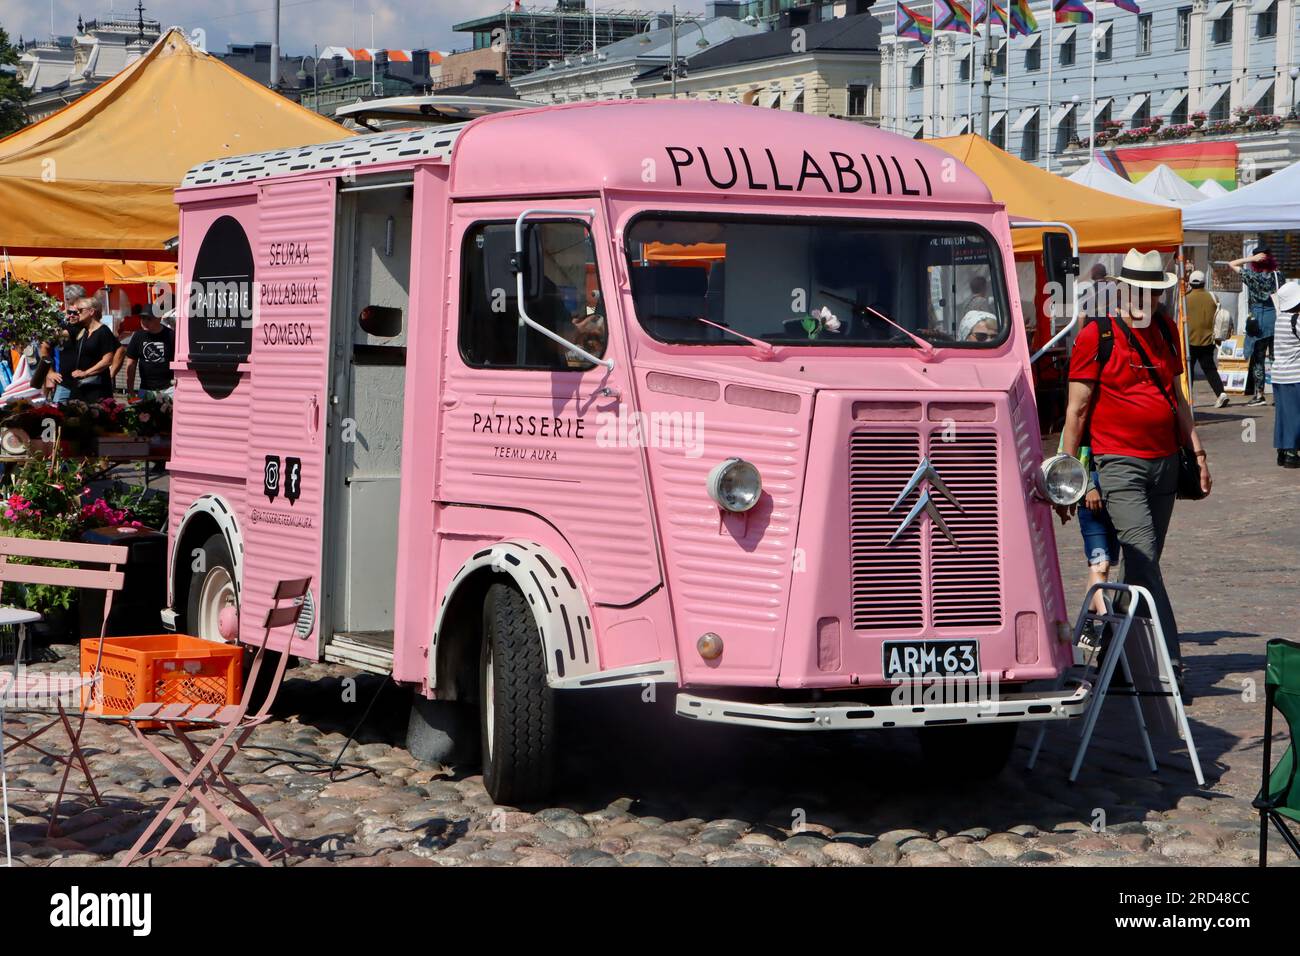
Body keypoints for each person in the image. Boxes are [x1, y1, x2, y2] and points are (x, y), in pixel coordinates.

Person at [1061, 249, 1212, 698]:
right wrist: (1072, 478)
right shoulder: (1097, 334)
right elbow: (1076, 411)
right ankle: (1171, 665)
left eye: (1155, 292)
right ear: (1123, 289)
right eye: (1141, 291)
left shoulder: (1166, 327)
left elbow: (1177, 397)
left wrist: (1198, 453)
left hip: (1165, 463)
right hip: (1118, 464)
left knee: (1143, 567)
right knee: (1143, 561)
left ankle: (1113, 659)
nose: (1148, 299)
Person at [1229, 247, 1284, 406]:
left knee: (1258, 359)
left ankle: (1259, 395)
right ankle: (1278, 394)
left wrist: (1250, 259)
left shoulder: (1252, 276)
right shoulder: (1278, 275)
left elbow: (1231, 263)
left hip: (1258, 320)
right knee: (1276, 359)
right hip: (1276, 319)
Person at [57, 297, 120, 403]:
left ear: (91, 311)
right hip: (80, 386)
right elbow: (57, 336)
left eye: (80, 311)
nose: (77, 313)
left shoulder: (103, 331)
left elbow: (108, 360)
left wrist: (86, 373)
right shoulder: (83, 330)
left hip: (97, 387)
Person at [1184, 270, 1230, 408]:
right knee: (1210, 368)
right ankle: (1221, 393)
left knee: (1189, 370)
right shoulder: (1213, 297)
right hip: (1208, 340)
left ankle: (1187, 399)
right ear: (1204, 282)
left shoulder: (1185, 298)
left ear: (1191, 283)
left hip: (1189, 340)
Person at [1271, 281, 1300, 468]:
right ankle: (1291, 452)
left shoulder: (1280, 318)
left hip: (1279, 375)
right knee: (1295, 415)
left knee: (1283, 415)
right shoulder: (1296, 320)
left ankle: (1282, 451)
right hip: (1294, 375)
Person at [125, 306, 176, 397]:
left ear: (159, 318)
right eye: (142, 318)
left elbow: (179, 362)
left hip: (169, 389)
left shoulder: (171, 335)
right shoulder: (138, 336)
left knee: (168, 411)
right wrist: (130, 391)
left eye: (149, 319)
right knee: (143, 411)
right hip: (145, 388)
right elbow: (131, 364)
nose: (144, 322)